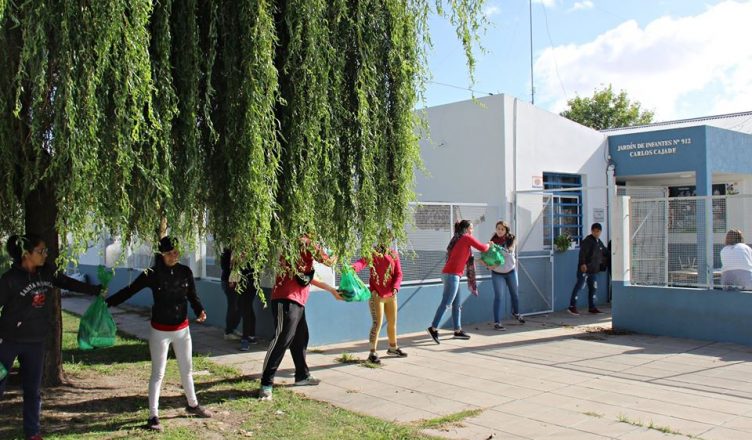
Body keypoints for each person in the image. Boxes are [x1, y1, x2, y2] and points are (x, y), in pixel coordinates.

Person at [0, 234, 104, 440]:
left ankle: (33, 432)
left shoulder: (46, 272)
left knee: (33, 390)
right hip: (8, 342)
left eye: (45, 251)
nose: (45, 254)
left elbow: (67, 283)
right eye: (41, 251)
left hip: (35, 342)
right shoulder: (9, 280)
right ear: (26, 254)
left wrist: (95, 290)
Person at [105, 236, 211, 431]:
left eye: (176, 252)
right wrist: (108, 303)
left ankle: (192, 404)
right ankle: (153, 415)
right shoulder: (151, 274)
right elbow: (130, 290)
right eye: (170, 253)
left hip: (182, 330)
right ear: (161, 254)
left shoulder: (185, 272)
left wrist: (199, 310)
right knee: (158, 373)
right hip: (160, 331)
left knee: (187, 369)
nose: (174, 255)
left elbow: (192, 296)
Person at [259, 237, 342, 401]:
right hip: (286, 299)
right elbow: (329, 262)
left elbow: (307, 277)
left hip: (297, 300)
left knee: (300, 338)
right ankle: (266, 384)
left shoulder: (298, 245)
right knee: (282, 339)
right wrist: (339, 249)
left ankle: (302, 376)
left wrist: (331, 290)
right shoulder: (305, 242)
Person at [427, 220, 490, 344]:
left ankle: (457, 330)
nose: (472, 231)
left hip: (452, 274)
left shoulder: (458, 239)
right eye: (471, 228)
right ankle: (433, 328)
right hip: (452, 275)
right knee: (446, 303)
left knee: (457, 304)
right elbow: (483, 248)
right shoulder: (466, 238)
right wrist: (489, 244)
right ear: (466, 229)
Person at [352, 244, 405, 364]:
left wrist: (396, 287)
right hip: (376, 295)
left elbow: (398, 273)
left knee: (392, 323)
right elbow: (362, 262)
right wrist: (353, 268)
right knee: (377, 323)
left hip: (391, 295)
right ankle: (372, 353)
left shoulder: (393, 254)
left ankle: (393, 348)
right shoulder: (373, 253)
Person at [487, 221, 524, 330]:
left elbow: (508, 252)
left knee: (515, 295)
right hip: (497, 273)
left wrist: (496, 248)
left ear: (506, 230)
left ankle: (516, 313)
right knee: (499, 297)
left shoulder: (511, 239)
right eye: (498, 228)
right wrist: (488, 264)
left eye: (502, 229)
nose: (499, 231)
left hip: (511, 271)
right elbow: (489, 255)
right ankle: (497, 322)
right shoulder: (493, 240)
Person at [220, 248, 258, 351]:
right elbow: (233, 267)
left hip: (249, 283)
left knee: (245, 308)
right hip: (245, 283)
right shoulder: (237, 249)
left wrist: (233, 279)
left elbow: (237, 267)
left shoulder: (251, 250)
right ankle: (250, 336)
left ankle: (246, 339)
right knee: (247, 308)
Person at [568, 223, 607, 315]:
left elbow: (605, 251)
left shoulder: (598, 242)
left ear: (600, 232)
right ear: (592, 231)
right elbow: (582, 253)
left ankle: (592, 307)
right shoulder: (587, 241)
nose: (597, 233)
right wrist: (583, 264)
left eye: (598, 231)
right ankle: (572, 306)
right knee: (580, 286)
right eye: (595, 231)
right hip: (585, 270)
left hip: (593, 270)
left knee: (593, 288)